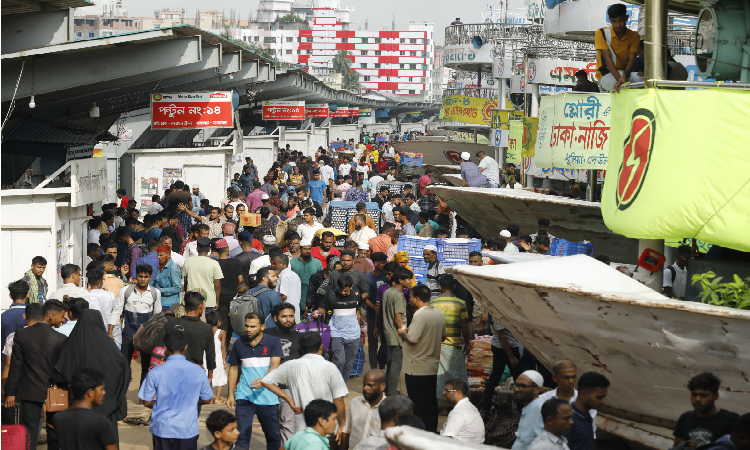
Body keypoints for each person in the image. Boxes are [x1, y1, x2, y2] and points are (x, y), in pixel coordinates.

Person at [54, 311, 130, 444]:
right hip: (106, 403)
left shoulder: (72, 343)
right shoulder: (108, 344)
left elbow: (62, 371)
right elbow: (123, 369)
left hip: (80, 405)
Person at [4, 299, 67, 450]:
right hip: (53, 393)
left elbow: (16, 365)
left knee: (30, 430)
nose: (63, 320)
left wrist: (10, 392)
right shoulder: (60, 339)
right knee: (53, 429)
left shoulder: (21, 334)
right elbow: (61, 370)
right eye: (62, 316)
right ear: (51, 316)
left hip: (29, 391)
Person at [138, 327, 214, 450]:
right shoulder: (198, 371)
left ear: (165, 348)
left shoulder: (155, 372)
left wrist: (163, 403)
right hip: (187, 429)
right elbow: (207, 399)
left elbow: (146, 401)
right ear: (185, 347)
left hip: (162, 429)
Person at [261, 333, 349, 434]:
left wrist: (289, 400)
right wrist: (342, 425)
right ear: (321, 347)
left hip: (302, 428)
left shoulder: (289, 366)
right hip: (326, 427)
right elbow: (339, 399)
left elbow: (266, 381)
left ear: (301, 349)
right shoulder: (330, 367)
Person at [226, 312, 283, 450]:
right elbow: (233, 368)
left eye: (252, 326)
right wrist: (231, 394)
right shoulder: (239, 343)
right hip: (244, 396)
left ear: (262, 326)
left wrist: (263, 381)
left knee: (273, 436)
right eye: (246, 326)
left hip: (268, 397)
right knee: (242, 436)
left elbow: (276, 364)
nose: (248, 329)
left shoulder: (273, 342)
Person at [397, 284, 446, 432]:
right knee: (430, 403)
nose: (410, 300)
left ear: (417, 299)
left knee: (419, 405)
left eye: (411, 297)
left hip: (416, 368)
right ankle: (430, 431)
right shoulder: (438, 313)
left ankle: (422, 434)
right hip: (430, 366)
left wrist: (402, 332)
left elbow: (412, 339)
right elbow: (443, 336)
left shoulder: (420, 315)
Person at [113, 263, 162, 386]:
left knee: (146, 365)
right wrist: (110, 331)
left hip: (146, 336)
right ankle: (122, 390)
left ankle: (143, 393)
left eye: (146, 277)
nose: (143, 279)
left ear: (150, 277)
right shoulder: (126, 291)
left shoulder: (155, 293)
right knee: (124, 364)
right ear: (136, 277)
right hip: (128, 333)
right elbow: (117, 311)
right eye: (140, 276)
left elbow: (157, 315)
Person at [263, 303, 305, 444]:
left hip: (289, 387)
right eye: (284, 316)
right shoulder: (265, 335)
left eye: (291, 316)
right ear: (275, 318)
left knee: (287, 423)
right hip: (268, 386)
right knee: (271, 425)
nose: (288, 319)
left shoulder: (301, 338)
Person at [52, 368, 118, 450]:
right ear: (90, 392)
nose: (104, 392)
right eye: (101, 389)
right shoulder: (100, 422)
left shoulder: (58, 418)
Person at [432, 275, 471, 409]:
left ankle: (441, 405)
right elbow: (464, 326)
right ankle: (457, 403)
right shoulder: (460, 303)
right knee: (457, 375)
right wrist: (467, 343)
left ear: (440, 287)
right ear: (454, 287)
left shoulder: (433, 304)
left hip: (438, 345)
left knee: (439, 376)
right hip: (455, 345)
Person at [674, 373, 740, 448]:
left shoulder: (731, 419)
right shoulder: (685, 418)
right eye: (694, 394)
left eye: (704, 395)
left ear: (716, 396)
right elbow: (676, 447)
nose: (697, 399)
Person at [319, 273, 364, 383]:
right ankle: (335, 384)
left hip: (353, 334)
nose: (343, 293)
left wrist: (360, 330)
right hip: (336, 333)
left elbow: (358, 312)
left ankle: (342, 386)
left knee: (348, 364)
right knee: (339, 361)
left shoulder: (357, 295)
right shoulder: (331, 295)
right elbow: (321, 310)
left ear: (351, 287)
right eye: (341, 290)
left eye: (346, 291)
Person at [161, 291, 216, 377]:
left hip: (172, 373)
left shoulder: (172, 323)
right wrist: (210, 377)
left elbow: (159, 347)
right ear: (200, 306)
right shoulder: (206, 328)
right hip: (194, 374)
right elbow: (210, 356)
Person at [380, 267, 413, 395]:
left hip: (388, 332)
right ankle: (392, 393)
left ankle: (389, 389)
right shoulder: (399, 296)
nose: (411, 281)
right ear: (401, 280)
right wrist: (405, 334)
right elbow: (398, 318)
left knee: (391, 362)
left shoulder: (388, 292)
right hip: (396, 334)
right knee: (396, 365)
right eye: (409, 279)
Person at [597, 4, 642, 92]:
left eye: (620, 20)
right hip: (606, 75)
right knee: (638, 79)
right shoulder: (601, 33)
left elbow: (632, 59)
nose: (618, 25)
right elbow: (608, 59)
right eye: (614, 21)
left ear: (626, 18)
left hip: (625, 74)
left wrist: (625, 75)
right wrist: (620, 80)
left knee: (641, 78)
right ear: (610, 20)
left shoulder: (634, 36)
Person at [340, 369, 387, 450]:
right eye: (364, 384)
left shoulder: (389, 408)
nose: (365, 388)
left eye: (370, 385)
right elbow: (347, 430)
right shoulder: (355, 402)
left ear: (382, 386)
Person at [565, 372, 610, 450]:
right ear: (584, 395)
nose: (603, 401)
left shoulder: (586, 416)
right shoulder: (568, 420)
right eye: (599, 398)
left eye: (604, 397)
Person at [182, 237, 224, 311]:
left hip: (192, 301)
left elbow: (186, 282)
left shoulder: (188, 261)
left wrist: (187, 297)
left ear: (197, 249)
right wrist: (217, 301)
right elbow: (217, 286)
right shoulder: (214, 263)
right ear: (209, 249)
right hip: (209, 302)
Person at [511, 370, 547, 450]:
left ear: (537, 389)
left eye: (523, 386)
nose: (517, 389)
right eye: (516, 385)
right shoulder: (529, 407)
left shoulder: (540, 409)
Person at [441, 378, 484, 443]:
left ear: (459, 393)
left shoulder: (458, 412)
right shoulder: (469, 406)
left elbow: (446, 440)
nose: (443, 393)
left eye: (447, 390)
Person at [291, 238, 323, 316]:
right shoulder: (292, 263)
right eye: (305, 249)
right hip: (297, 296)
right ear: (300, 249)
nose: (308, 251)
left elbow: (321, 281)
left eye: (309, 249)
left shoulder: (317, 263)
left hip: (313, 298)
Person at [1, 279, 29, 367]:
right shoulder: (32, 317)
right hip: (26, 367)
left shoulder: (2, 317)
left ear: (10, 295)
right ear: (27, 295)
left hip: (5, 366)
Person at [152, 244, 182, 310]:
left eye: (161, 255)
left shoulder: (173, 268)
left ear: (168, 255)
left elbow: (178, 288)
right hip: (159, 303)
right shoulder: (161, 266)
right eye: (158, 255)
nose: (158, 257)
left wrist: (159, 290)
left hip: (169, 305)